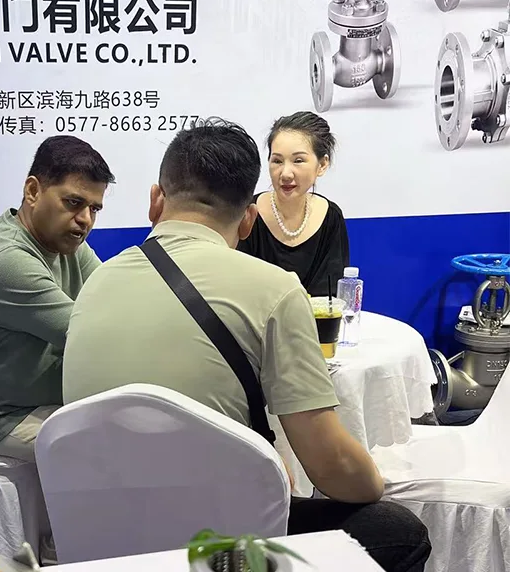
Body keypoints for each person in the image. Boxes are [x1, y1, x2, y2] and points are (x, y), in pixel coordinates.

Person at [62, 118, 431, 571]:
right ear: (248, 219)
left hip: (101, 539)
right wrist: (374, 483)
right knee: (398, 531)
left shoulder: (96, 283)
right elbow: (332, 468)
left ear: (155, 200)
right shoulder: (275, 290)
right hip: (215, 545)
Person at [0, 135, 114, 462]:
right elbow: (92, 338)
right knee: (116, 451)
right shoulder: (7, 261)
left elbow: (113, 298)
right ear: (33, 191)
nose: (86, 219)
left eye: (94, 208)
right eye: (73, 202)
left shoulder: (66, 244)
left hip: (42, 403)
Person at [237, 111, 349, 296]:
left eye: (298, 160)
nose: (286, 174)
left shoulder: (331, 217)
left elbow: (330, 294)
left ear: (322, 165)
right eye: (277, 161)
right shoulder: (247, 212)